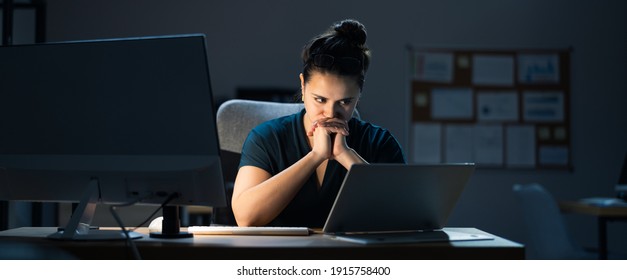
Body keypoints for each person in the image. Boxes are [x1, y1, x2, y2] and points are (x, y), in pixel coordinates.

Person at [231, 19, 406, 227]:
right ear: (303, 86)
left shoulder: (380, 143)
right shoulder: (266, 138)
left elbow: (402, 218)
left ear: (359, 94)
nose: (331, 113)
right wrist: (315, 156)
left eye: (345, 101)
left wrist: (345, 155)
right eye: (320, 99)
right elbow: (246, 218)